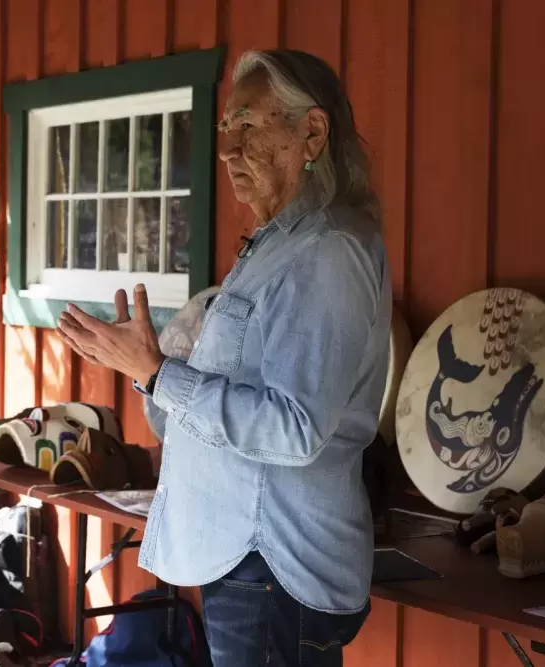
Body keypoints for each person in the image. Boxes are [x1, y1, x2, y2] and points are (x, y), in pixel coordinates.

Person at [57, 49, 390, 666]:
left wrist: (156, 373)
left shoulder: (328, 253)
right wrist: (148, 372)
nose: (227, 149)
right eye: (225, 129)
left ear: (311, 132)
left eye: (249, 126)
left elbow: (294, 429)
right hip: (250, 564)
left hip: (273, 567)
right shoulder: (277, 246)